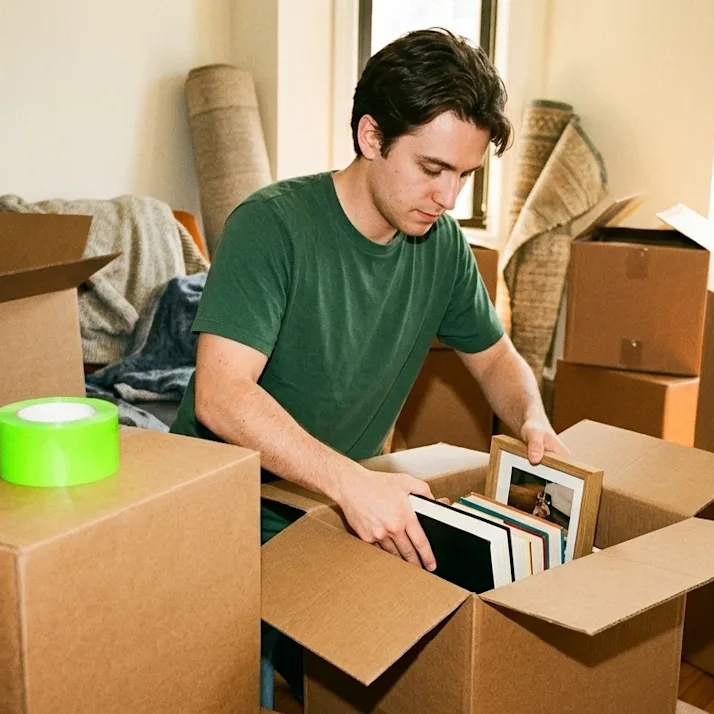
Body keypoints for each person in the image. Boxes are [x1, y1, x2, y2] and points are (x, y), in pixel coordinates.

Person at [168, 27, 571, 705]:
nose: (447, 198)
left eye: (464, 176)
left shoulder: (440, 246)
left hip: (337, 515)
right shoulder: (271, 226)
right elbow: (221, 395)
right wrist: (351, 484)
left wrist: (533, 418)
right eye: (432, 169)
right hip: (226, 517)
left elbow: (499, 358)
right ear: (371, 137)